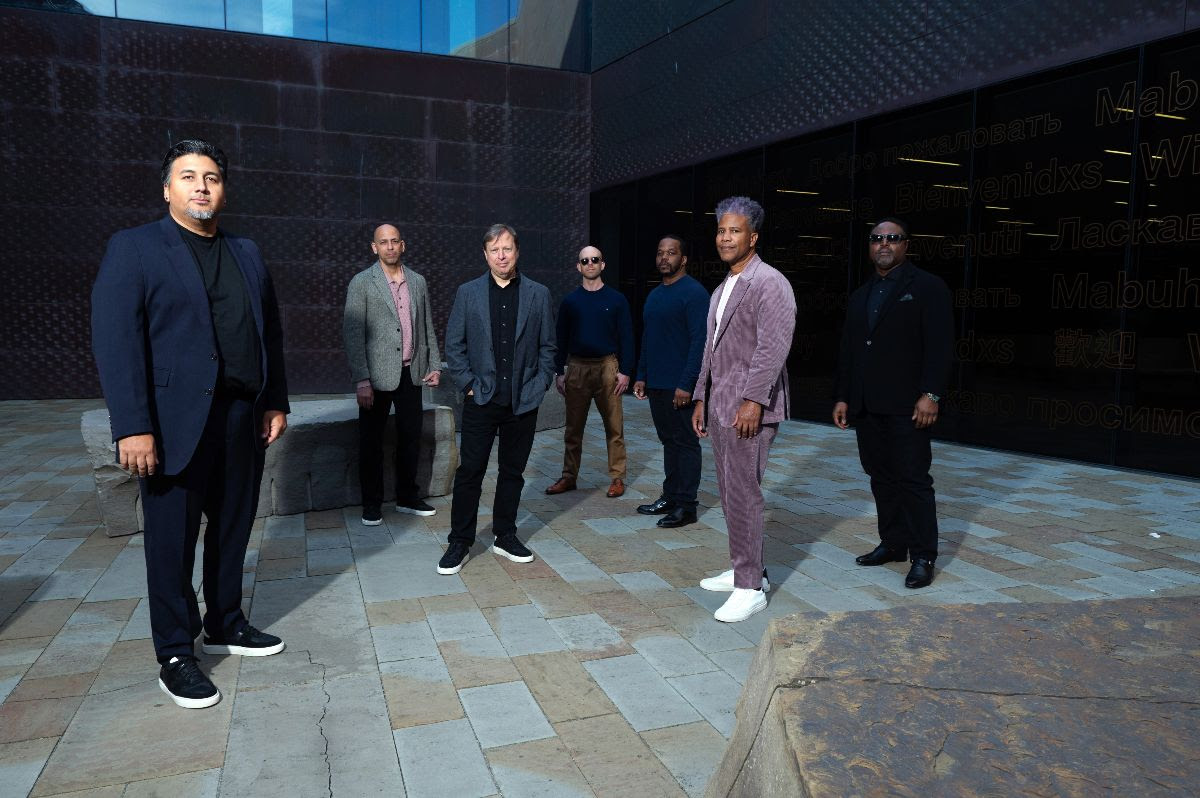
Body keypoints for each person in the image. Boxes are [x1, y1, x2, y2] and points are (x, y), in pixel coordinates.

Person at [91, 139, 289, 709]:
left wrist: (274, 400)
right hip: (172, 423)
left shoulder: (247, 252)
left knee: (232, 527)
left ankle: (225, 621)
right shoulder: (134, 248)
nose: (201, 186)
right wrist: (132, 425)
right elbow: (116, 340)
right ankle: (176, 652)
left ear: (223, 190)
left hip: (241, 417)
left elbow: (268, 331)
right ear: (167, 189)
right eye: (188, 176)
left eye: (211, 178)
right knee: (171, 542)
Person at [833, 217, 953, 589]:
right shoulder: (860, 294)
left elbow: (941, 345)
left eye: (892, 238)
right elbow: (850, 350)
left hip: (908, 406)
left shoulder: (928, 287)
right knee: (881, 477)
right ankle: (893, 543)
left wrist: (931, 394)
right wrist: (843, 396)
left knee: (913, 480)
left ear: (906, 245)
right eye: (877, 239)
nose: (884, 244)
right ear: (870, 247)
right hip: (868, 406)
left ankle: (923, 556)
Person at [692, 197, 795, 623]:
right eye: (721, 230)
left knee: (744, 493)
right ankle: (745, 569)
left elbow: (773, 347)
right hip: (720, 405)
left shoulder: (770, 282)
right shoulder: (722, 288)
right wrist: (700, 395)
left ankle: (750, 587)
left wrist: (754, 400)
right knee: (729, 492)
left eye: (734, 231)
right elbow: (711, 348)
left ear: (753, 237)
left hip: (748, 409)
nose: (725, 238)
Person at [437, 224, 556, 575]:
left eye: (507, 249)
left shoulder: (538, 294)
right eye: (494, 250)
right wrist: (468, 385)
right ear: (485, 255)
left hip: (522, 401)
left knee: (512, 472)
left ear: (517, 251)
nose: (501, 256)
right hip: (481, 400)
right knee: (470, 472)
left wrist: (539, 385)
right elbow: (454, 346)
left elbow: (548, 348)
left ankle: (505, 535)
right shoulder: (468, 293)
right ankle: (460, 541)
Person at [343, 224, 441, 526]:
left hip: (411, 373)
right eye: (383, 242)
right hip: (375, 377)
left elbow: (426, 324)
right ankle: (371, 504)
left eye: (394, 241)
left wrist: (434, 364)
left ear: (403, 245)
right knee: (371, 443)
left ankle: (407, 497)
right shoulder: (362, 282)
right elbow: (353, 333)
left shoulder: (418, 281)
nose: (389, 247)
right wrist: (362, 379)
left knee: (411, 438)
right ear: (374, 247)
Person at [545, 246, 635, 499]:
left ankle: (617, 477)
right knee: (573, 428)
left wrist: (626, 371)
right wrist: (559, 371)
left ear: (602, 264)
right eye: (585, 261)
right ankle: (569, 476)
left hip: (608, 367)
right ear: (579, 266)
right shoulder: (570, 302)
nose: (590, 263)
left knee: (614, 427)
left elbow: (627, 336)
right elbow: (561, 338)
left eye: (595, 259)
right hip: (577, 368)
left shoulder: (617, 299)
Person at [631, 235, 708, 528]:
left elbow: (700, 343)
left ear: (683, 259)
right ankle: (671, 496)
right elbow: (648, 338)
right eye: (660, 253)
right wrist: (641, 375)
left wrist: (687, 384)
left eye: (671, 253)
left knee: (686, 443)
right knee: (668, 441)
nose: (664, 258)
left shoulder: (694, 294)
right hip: (657, 384)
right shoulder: (654, 295)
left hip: (680, 386)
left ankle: (687, 506)